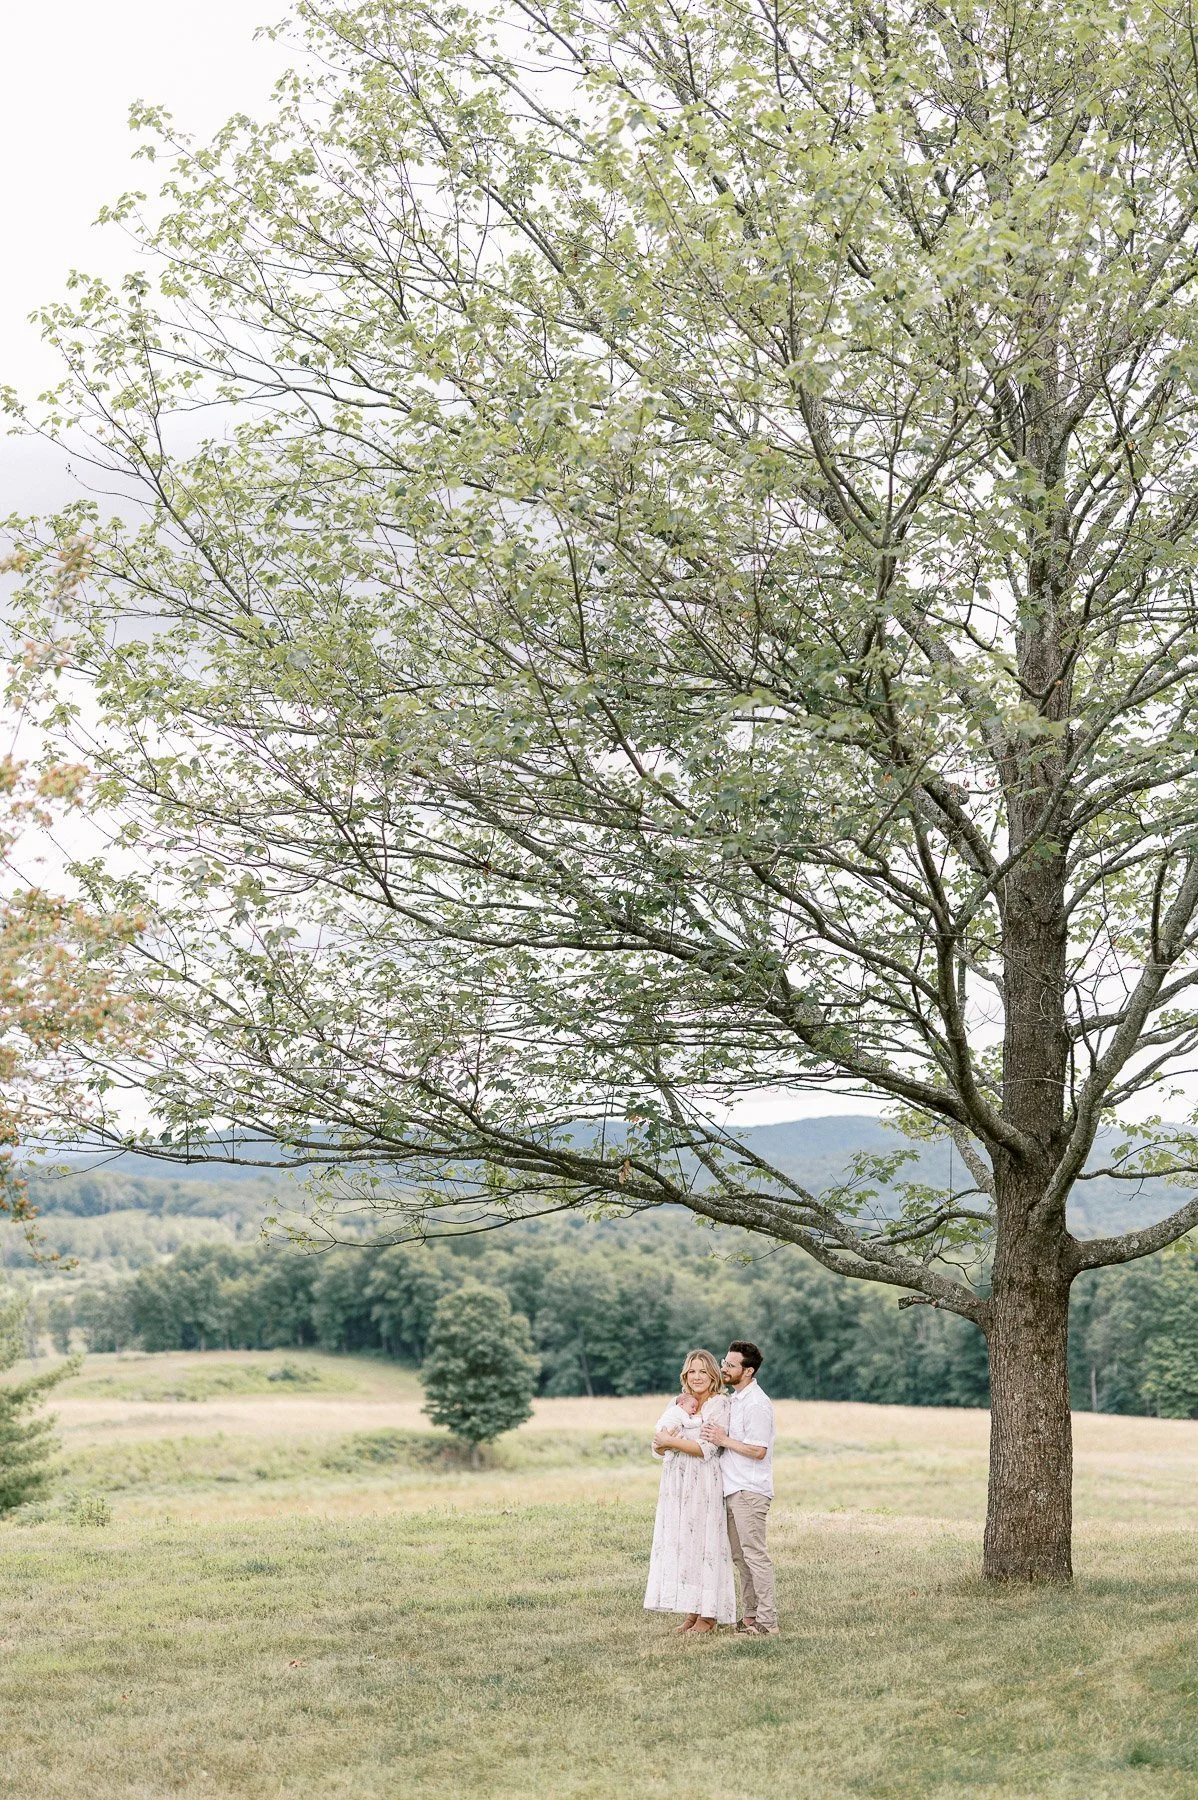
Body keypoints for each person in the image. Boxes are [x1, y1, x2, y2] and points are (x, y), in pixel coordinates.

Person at [644, 1348, 736, 1635]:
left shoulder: (719, 1404)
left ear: (713, 1375)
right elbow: (656, 1444)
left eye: (703, 1371)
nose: (697, 1377)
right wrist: (665, 1442)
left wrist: (671, 1442)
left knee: (704, 1543)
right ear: (686, 1375)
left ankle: (709, 1615)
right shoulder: (678, 1402)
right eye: (692, 1371)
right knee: (683, 1542)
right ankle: (692, 1610)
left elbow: (706, 1449)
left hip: (703, 1482)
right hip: (675, 1481)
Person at [701, 1340, 777, 1636]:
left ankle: (768, 1622)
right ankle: (750, 1616)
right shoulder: (736, 1399)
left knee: (755, 1555)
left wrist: (723, 1440)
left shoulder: (757, 1404)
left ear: (748, 1371)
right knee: (740, 1557)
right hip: (732, 1489)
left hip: (750, 1490)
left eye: (730, 1365)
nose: (724, 1368)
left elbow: (759, 1450)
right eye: (725, 1362)